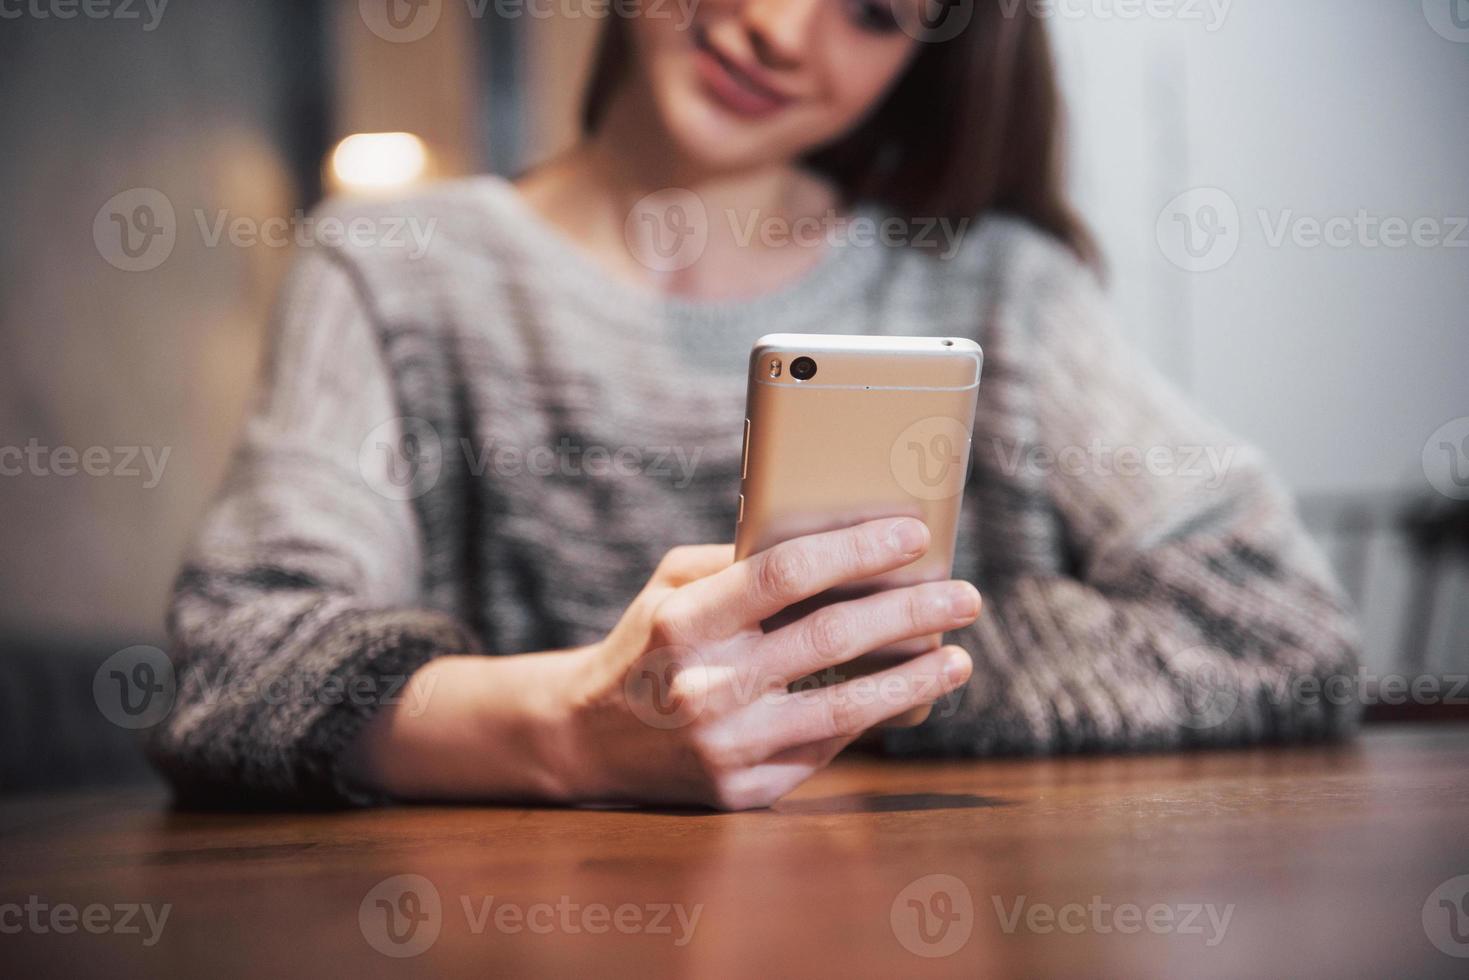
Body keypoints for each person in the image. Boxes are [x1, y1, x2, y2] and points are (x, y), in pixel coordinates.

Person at [149, 1, 1360, 809]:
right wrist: (568, 725)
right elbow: (235, 664)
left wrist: (870, 680)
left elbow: (1282, 634)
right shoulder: (394, 264)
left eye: (875, 10)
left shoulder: (998, 288)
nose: (780, 27)